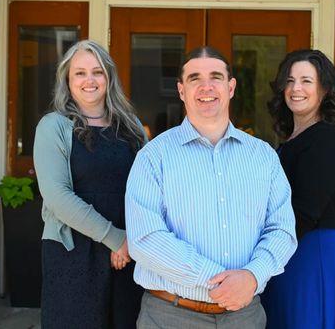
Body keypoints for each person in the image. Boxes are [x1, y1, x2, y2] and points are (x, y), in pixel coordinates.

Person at [125, 46, 297, 329]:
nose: (206, 86)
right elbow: (145, 239)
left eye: (216, 77)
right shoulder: (153, 157)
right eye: (195, 78)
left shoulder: (262, 156)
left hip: (245, 316)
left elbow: (282, 229)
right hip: (170, 315)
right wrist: (222, 281)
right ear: (181, 90)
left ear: (230, 87)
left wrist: (252, 276)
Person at [33, 40, 147, 328]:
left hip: (127, 253)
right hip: (74, 253)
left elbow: (149, 187)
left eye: (97, 72)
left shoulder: (132, 126)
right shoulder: (54, 126)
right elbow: (57, 196)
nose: (89, 80)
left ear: (109, 78)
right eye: (80, 73)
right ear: (67, 80)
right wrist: (115, 238)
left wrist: (130, 241)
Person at [261, 49, 335, 329]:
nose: (295, 88)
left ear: (324, 89)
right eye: (289, 81)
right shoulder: (290, 140)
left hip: (313, 252)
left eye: (306, 81)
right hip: (288, 250)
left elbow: (306, 210)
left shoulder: (327, 138)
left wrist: (265, 256)